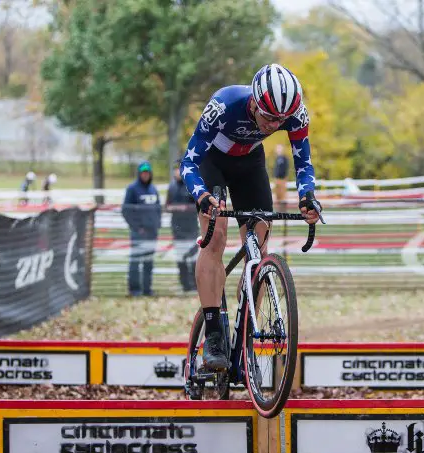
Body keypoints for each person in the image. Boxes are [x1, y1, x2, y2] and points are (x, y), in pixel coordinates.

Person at [178, 63, 323, 371]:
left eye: (281, 120)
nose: (274, 125)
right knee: (215, 239)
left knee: (258, 245)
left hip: (250, 163)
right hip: (212, 164)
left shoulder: (294, 113)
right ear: (255, 103)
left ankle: (247, 335)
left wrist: (307, 196)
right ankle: (214, 333)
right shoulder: (225, 105)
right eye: (269, 117)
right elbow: (189, 162)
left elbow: (303, 163)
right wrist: (202, 196)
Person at [121, 162, 161, 297]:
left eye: (147, 172)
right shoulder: (132, 189)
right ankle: (135, 290)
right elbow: (126, 211)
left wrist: (157, 225)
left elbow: (158, 209)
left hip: (152, 233)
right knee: (135, 261)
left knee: (148, 261)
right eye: (143, 172)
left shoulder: (153, 189)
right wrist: (137, 228)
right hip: (139, 233)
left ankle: (147, 289)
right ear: (139, 173)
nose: (145, 174)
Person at [166, 163, 198, 293]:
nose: (177, 173)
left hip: (191, 229)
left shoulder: (191, 186)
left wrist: (187, 208)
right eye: (175, 170)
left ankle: (195, 284)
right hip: (177, 228)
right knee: (181, 259)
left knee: (193, 258)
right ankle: (185, 285)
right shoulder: (171, 187)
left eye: (179, 170)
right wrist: (174, 208)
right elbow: (167, 205)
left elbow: (198, 204)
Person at [272, 143, 290, 208]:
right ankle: (278, 209)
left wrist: (284, 176)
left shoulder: (284, 158)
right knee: (277, 194)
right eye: (277, 148)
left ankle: (283, 210)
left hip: (282, 178)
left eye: (279, 148)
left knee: (282, 194)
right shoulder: (277, 158)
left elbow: (286, 168)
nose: (278, 150)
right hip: (277, 178)